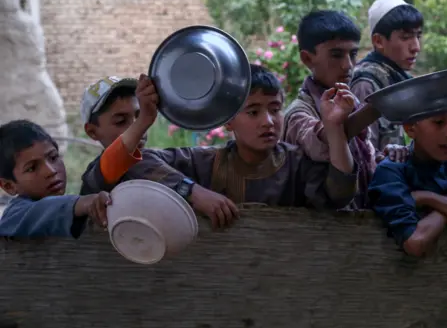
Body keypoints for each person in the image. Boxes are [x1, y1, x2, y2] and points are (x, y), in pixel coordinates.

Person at [122, 64, 359, 229]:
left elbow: (339, 196)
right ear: (228, 121)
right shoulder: (206, 163)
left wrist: (334, 128)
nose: (268, 121)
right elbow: (138, 162)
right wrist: (195, 192)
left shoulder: (297, 165)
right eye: (253, 112)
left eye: (275, 110)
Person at [369, 83, 447, 257]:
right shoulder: (392, 170)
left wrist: (432, 199)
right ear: (411, 128)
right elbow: (415, 243)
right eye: (439, 123)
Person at [283, 10, 376, 208]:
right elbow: (319, 140)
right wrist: (377, 108)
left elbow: (366, 162)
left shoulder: (352, 104)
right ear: (307, 59)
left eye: (352, 54)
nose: (348, 65)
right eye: (336, 55)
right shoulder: (298, 114)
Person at [0, 121, 113, 238]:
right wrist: (86, 202)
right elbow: (41, 211)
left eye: (53, 157)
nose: (51, 171)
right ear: (9, 186)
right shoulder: (14, 217)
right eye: (32, 168)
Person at [349, 0, 423, 158]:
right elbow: (363, 156)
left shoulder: (401, 79)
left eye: (418, 36)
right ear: (379, 41)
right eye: (405, 37)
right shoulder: (366, 84)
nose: (416, 47)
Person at [80, 74, 159, 194]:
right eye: (120, 121)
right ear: (92, 132)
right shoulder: (95, 178)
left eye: (139, 116)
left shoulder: (160, 157)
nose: (137, 127)